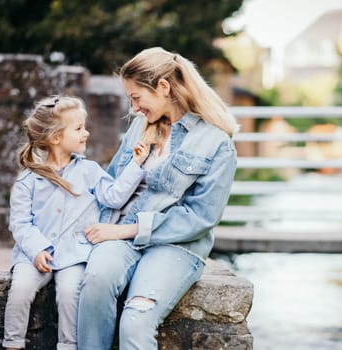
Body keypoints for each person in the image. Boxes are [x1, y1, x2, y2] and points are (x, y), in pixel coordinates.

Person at [77, 47, 239, 349]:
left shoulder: (216, 143)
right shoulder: (140, 126)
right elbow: (114, 183)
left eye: (137, 97)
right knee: (95, 284)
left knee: (136, 321)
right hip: (121, 236)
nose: (134, 108)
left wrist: (128, 230)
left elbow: (200, 218)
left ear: (163, 87)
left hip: (175, 246)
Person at [3, 95, 149, 350]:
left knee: (70, 294)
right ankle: (13, 344)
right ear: (56, 137)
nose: (86, 132)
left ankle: (68, 346)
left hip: (75, 253)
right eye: (79, 128)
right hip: (34, 255)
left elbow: (114, 197)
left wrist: (136, 165)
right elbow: (20, 223)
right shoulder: (28, 180)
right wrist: (37, 249)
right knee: (21, 290)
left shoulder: (89, 171)